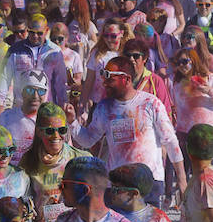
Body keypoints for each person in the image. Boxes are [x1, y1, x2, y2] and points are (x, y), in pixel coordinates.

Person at [66, 56, 187, 207]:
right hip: (117, 186)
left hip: (149, 183)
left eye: (110, 79)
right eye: (104, 77)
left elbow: (170, 141)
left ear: (127, 79)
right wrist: (72, 122)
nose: (104, 83)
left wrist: (182, 180)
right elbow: (88, 139)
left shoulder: (150, 103)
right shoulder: (104, 108)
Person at [0, 14, 66, 116]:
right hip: (21, 109)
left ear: (47, 31)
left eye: (39, 33)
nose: (35, 36)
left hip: (46, 110)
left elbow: (61, 84)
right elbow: (4, 78)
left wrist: (62, 108)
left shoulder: (55, 52)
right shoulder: (14, 50)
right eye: (32, 32)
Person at [0, 76, 45, 166]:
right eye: (30, 90)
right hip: (9, 173)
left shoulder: (48, 120)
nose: (35, 96)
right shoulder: (6, 117)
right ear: (22, 92)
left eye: (41, 91)